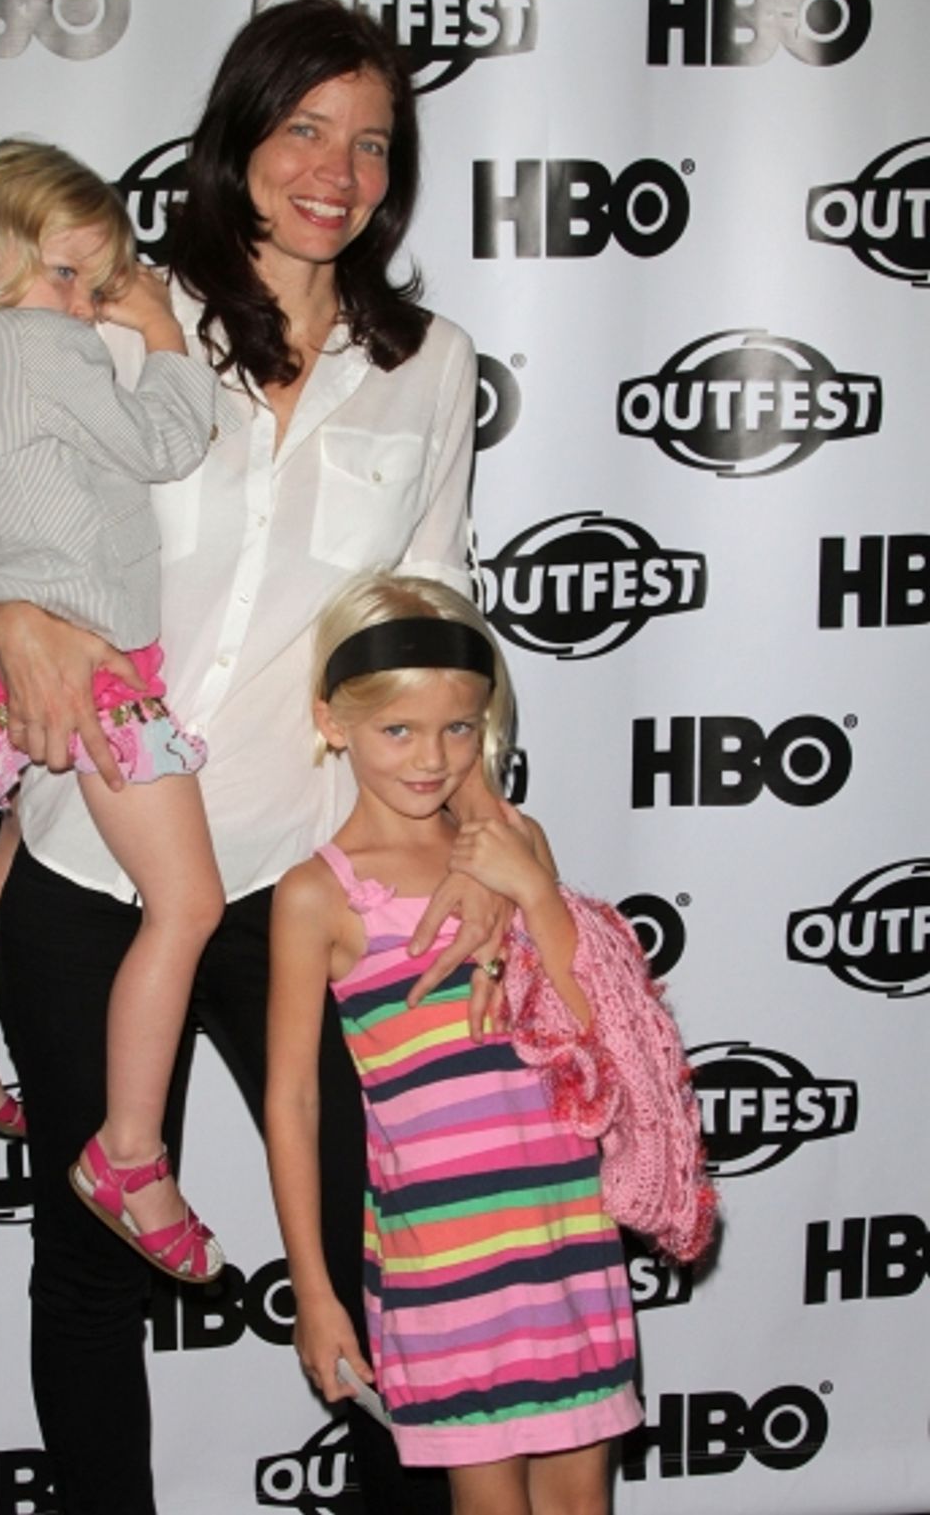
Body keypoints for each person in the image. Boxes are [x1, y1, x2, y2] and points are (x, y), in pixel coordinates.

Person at [0, 0, 514, 1514]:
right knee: (87, 1259)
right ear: (240, 137)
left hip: (295, 878)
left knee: (372, 1242)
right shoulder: (113, 315)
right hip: (96, 857)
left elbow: (434, 621)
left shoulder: (430, 363)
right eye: (303, 128)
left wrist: (473, 848)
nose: (334, 169)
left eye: (370, 142)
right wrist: (7, 610)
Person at [0, 138, 225, 1283]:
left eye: (97, 283)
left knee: (16, 842)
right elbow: (166, 440)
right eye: (67, 277)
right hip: (91, 663)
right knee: (186, 902)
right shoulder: (42, 348)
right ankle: (132, 1154)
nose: (85, 307)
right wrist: (163, 337)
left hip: (10, 655)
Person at [266, 573, 642, 1515]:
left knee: (581, 1501)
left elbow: (594, 1021)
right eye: (398, 729)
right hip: (447, 1255)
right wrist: (316, 1290)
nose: (431, 758)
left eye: (459, 729)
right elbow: (293, 1102)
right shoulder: (319, 895)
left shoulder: (515, 845)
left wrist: (535, 888)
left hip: (566, 1227)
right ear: (333, 720)